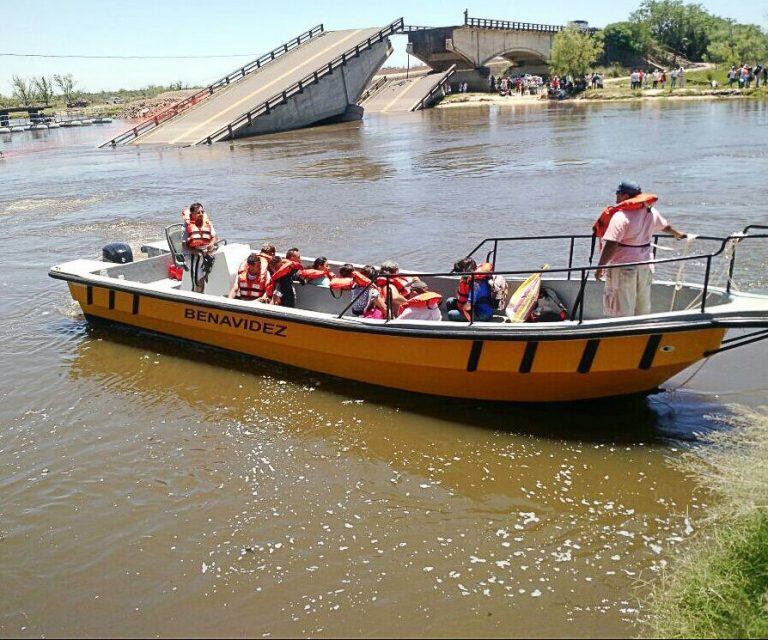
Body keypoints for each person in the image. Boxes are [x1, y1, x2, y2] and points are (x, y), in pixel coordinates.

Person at [594, 181, 687, 318]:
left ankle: (622, 335)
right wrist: (677, 234)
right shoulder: (650, 211)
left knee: (621, 308)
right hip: (645, 266)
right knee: (642, 306)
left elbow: (611, 244)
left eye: (617, 193)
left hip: (623, 268)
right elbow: (665, 227)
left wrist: (600, 267)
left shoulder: (621, 216)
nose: (616, 197)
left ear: (625, 196)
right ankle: (641, 332)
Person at [183, 202, 218, 293]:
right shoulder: (187, 226)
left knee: (209, 279)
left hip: (208, 253)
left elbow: (214, 237)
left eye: (202, 212)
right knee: (198, 282)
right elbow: (184, 245)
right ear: (192, 214)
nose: (201, 214)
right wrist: (195, 251)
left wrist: (211, 243)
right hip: (195, 256)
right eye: (198, 213)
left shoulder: (207, 223)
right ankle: (196, 295)